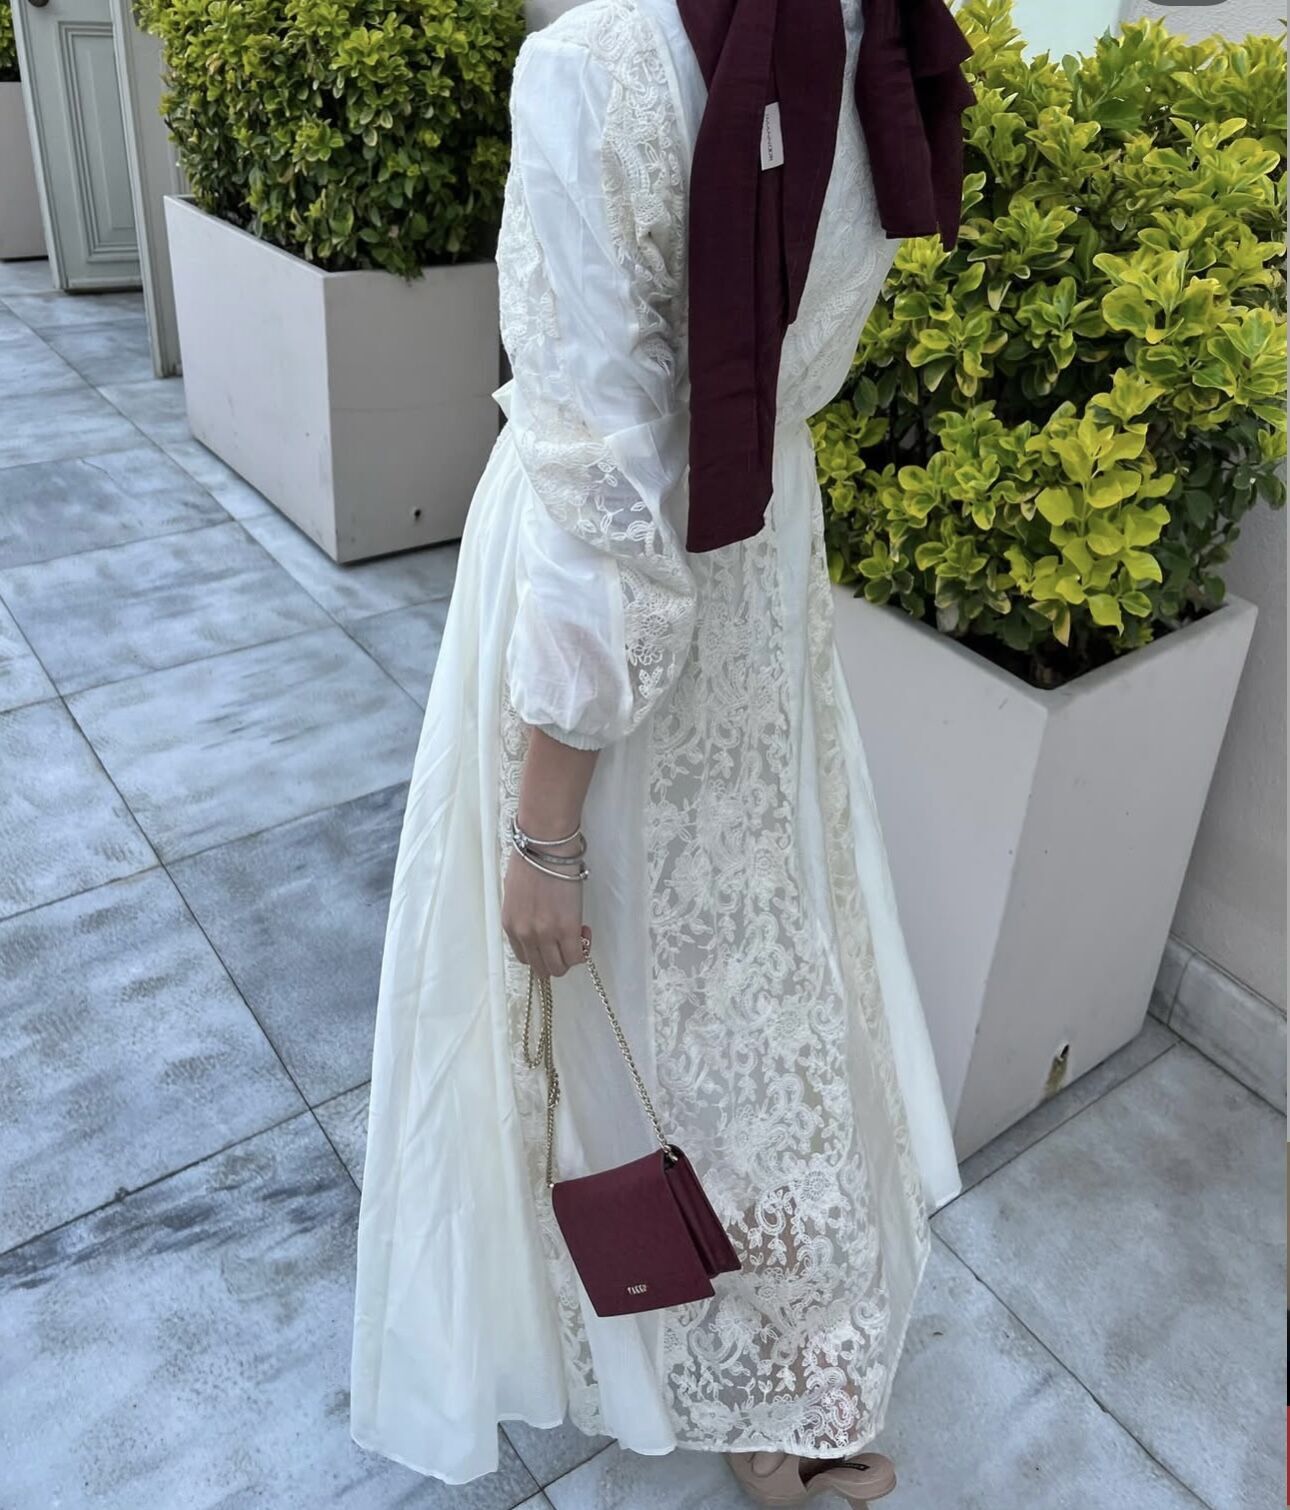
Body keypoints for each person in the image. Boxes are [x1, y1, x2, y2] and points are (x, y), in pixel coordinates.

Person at [351, 0, 973, 1500]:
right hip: (762, 567)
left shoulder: (594, 66)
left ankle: (703, 1367)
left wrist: (542, 820)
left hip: (639, 593)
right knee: (766, 969)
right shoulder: (881, 36)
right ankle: (791, 1372)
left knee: (604, 984)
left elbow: (607, 489)